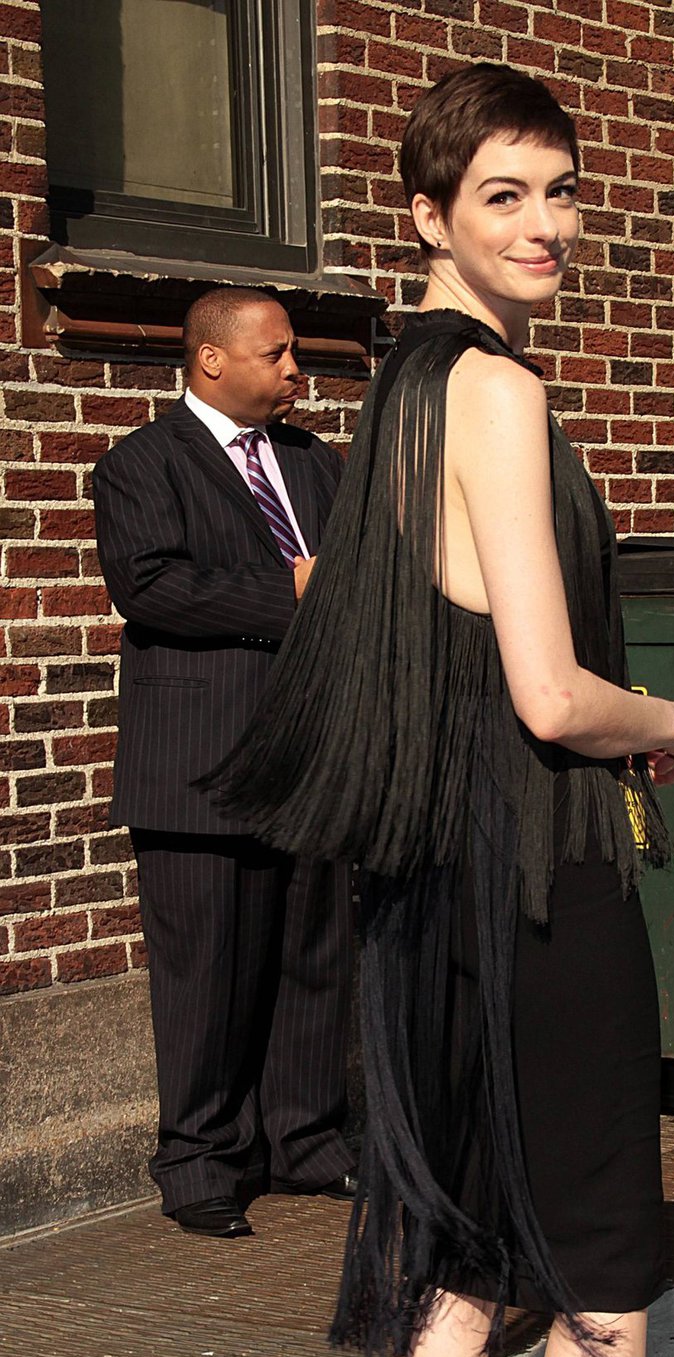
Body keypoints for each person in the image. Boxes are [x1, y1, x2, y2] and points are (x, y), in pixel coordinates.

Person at [208, 67, 674, 1357]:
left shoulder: (391, 395)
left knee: (440, 1250)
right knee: (602, 1273)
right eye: (504, 195)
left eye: (560, 190)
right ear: (426, 217)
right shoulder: (491, 387)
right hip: (536, 879)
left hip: (420, 893)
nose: (547, 224)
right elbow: (549, 688)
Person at [92, 287, 357, 1239]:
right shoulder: (138, 465)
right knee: (205, 971)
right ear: (212, 360)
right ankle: (201, 1158)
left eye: (296, 353)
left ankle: (307, 1140)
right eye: (278, 353)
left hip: (314, 755)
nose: (297, 370)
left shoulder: (316, 463)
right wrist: (291, 585)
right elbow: (153, 587)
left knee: (314, 959)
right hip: (199, 761)